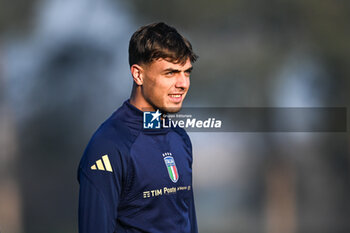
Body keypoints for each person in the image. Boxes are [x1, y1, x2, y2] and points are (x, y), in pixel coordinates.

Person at [78, 22, 198, 233]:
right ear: (138, 74)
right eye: (170, 73)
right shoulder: (108, 146)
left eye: (186, 72)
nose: (183, 83)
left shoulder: (180, 138)